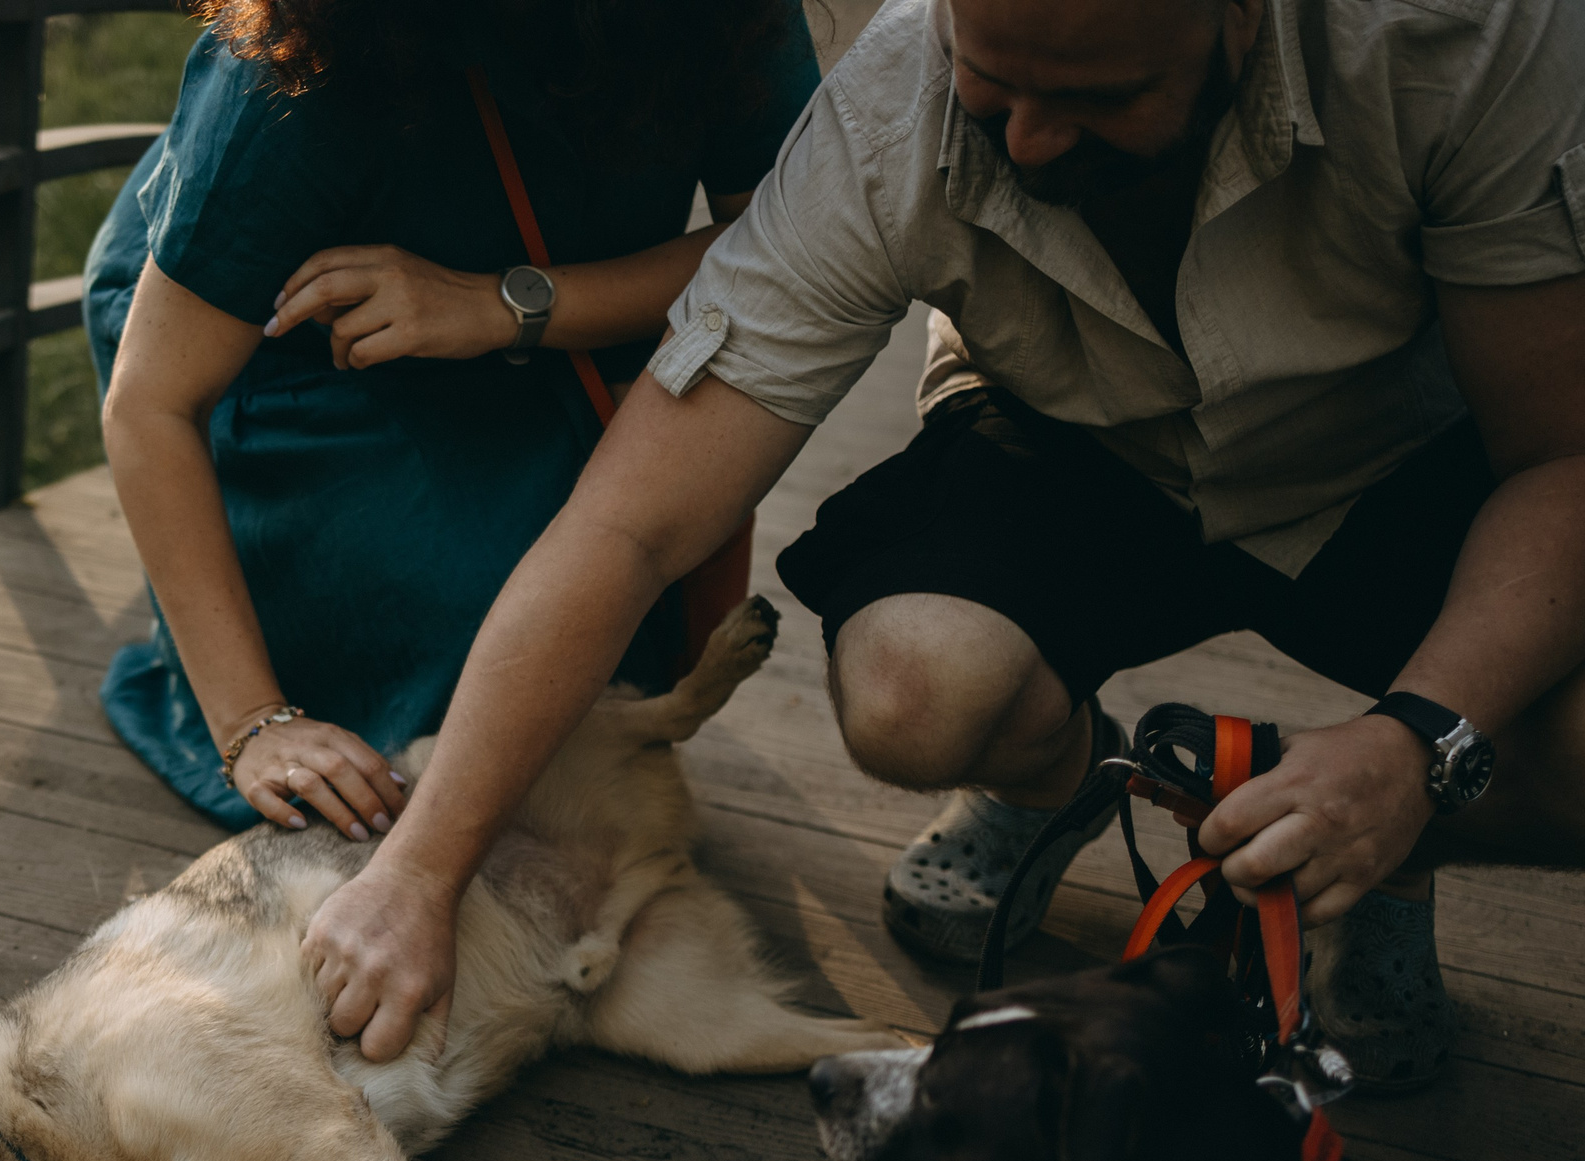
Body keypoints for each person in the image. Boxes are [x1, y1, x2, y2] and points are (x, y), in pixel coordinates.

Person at [301, 0, 1585, 1089]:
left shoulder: (1466, 41)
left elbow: (1559, 458)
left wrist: (1419, 745)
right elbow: (630, 525)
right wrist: (417, 872)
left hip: (1391, 444)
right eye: (991, 85)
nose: (1025, 143)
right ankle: (1090, 785)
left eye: (1096, 97)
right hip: (1069, 426)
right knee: (916, 688)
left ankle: (1384, 821)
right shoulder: (885, 120)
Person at [86, 0, 820, 838]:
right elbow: (152, 403)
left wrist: (502, 305)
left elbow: (784, 241)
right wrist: (252, 722)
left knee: (583, 633)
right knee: (470, 662)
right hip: (279, 342)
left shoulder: (723, 16)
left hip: (523, 317)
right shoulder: (295, 55)